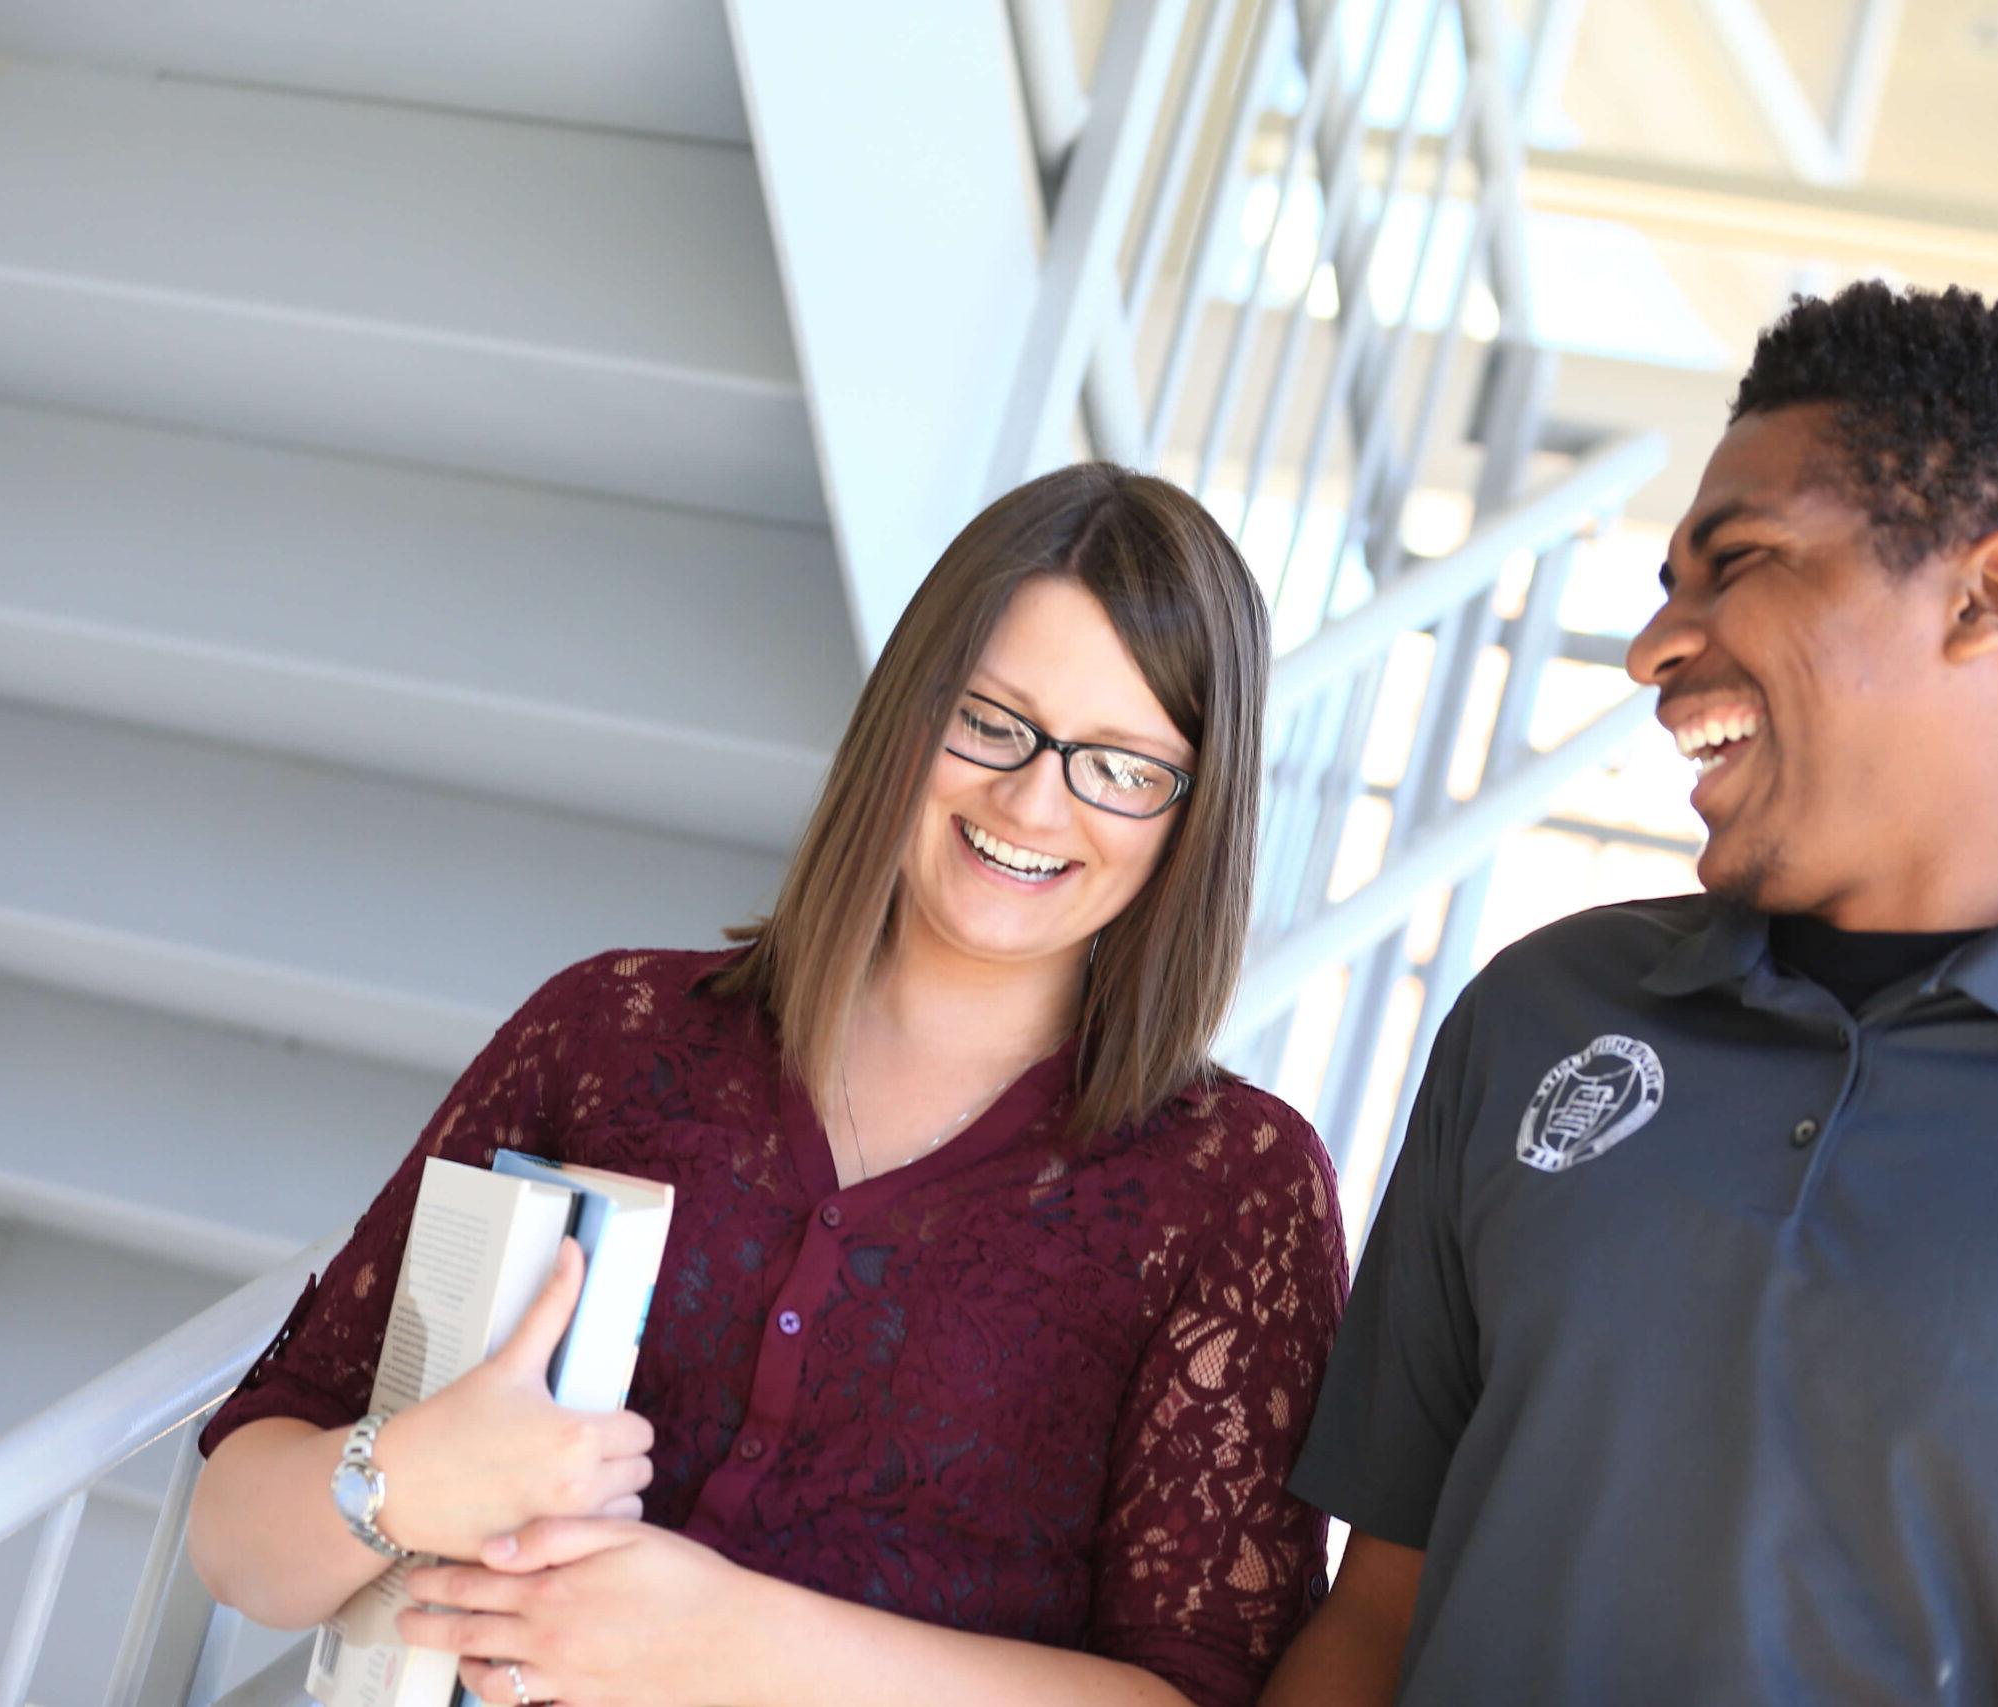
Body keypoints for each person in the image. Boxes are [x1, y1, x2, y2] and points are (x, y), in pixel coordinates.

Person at [1263, 283, 1998, 1707]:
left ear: (1986, 596)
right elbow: (1375, 1620)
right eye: (1665, 590)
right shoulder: (1540, 1017)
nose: (1654, 648)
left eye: (1737, 562)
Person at [189, 462, 1351, 1707]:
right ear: (910, 711)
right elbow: (236, 1534)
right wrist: (407, 1479)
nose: (1030, 798)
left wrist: (739, 1646)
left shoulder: (1233, 1190)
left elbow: (1206, 1694)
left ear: (1193, 812)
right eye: (990, 720)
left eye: (1121, 766)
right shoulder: (607, 1031)